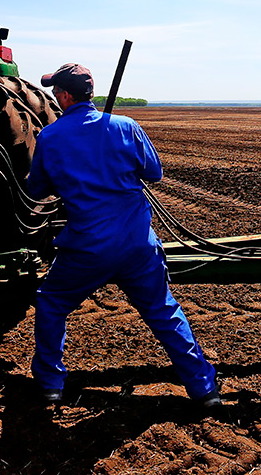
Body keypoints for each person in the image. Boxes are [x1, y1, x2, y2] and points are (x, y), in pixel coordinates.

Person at [27, 62, 221, 408]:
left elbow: (38, 189)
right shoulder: (125, 126)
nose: (55, 98)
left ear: (67, 95)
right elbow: (153, 172)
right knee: (163, 311)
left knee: (51, 303)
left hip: (87, 247)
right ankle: (204, 390)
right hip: (136, 244)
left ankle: (49, 384)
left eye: (56, 92)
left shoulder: (50, 136)